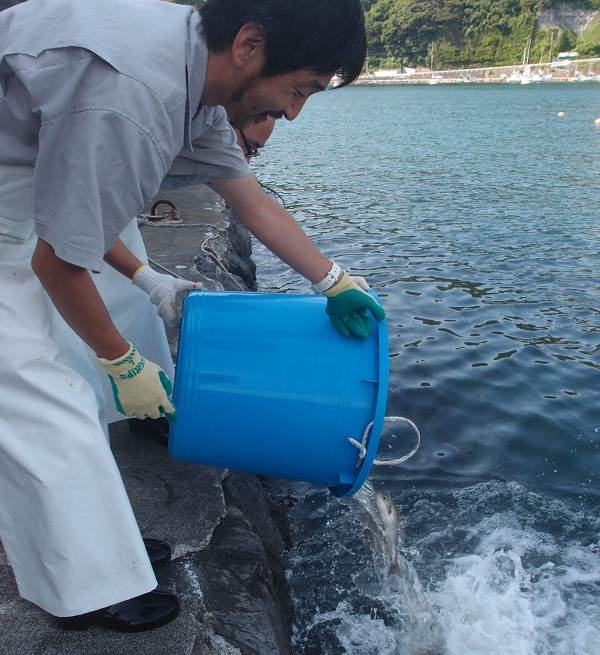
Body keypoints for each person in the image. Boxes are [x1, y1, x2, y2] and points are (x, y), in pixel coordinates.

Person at [0, 0, 385, 633]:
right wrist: (121, 361)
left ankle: (99, 533)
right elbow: (58, 263)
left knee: (109, 310)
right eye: (299, 89)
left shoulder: (192, 77)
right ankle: (85, 582)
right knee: (35, 383)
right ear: (250, 44)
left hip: (21, 165)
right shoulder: (131, 97)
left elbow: (250, 201)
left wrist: (334, 280)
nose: (292, 111)